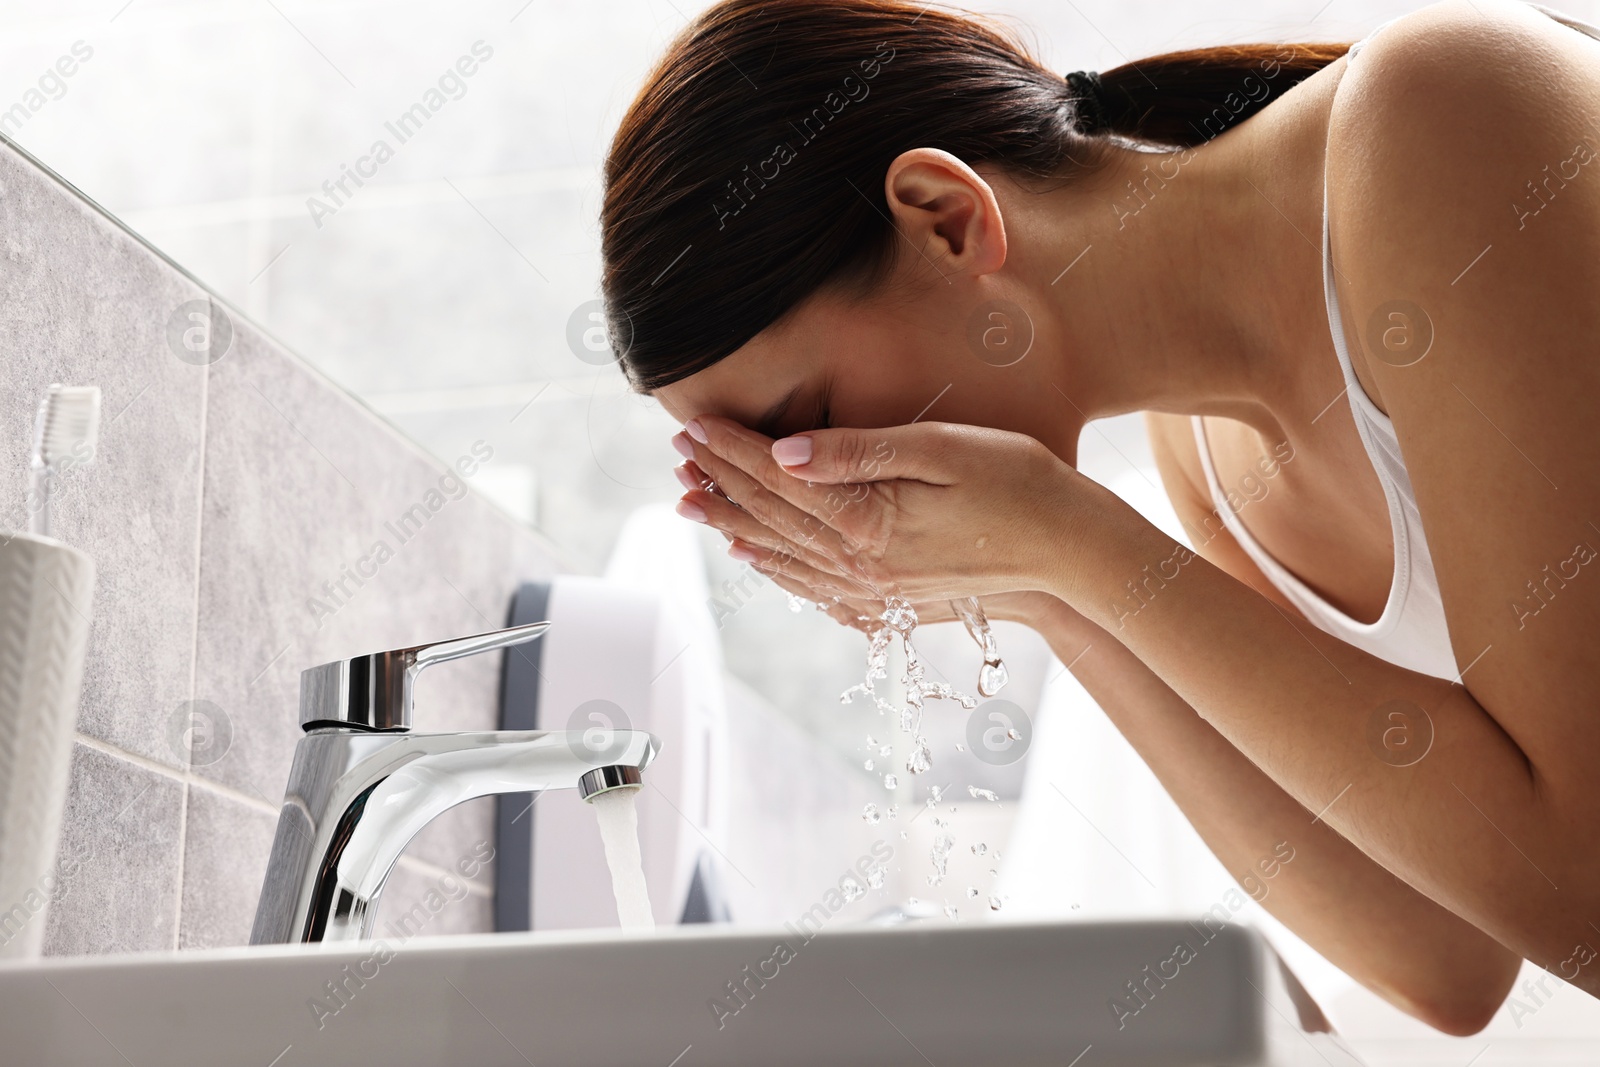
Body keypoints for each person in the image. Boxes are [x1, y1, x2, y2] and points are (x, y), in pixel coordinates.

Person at [600, 0, 1600, 1034]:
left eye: (808, 427)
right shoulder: (1206, 457)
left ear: (947, 215)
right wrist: (1052, 591)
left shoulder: (1444, 109)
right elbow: (1443, 960)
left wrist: (1085, 547)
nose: (826, 494)